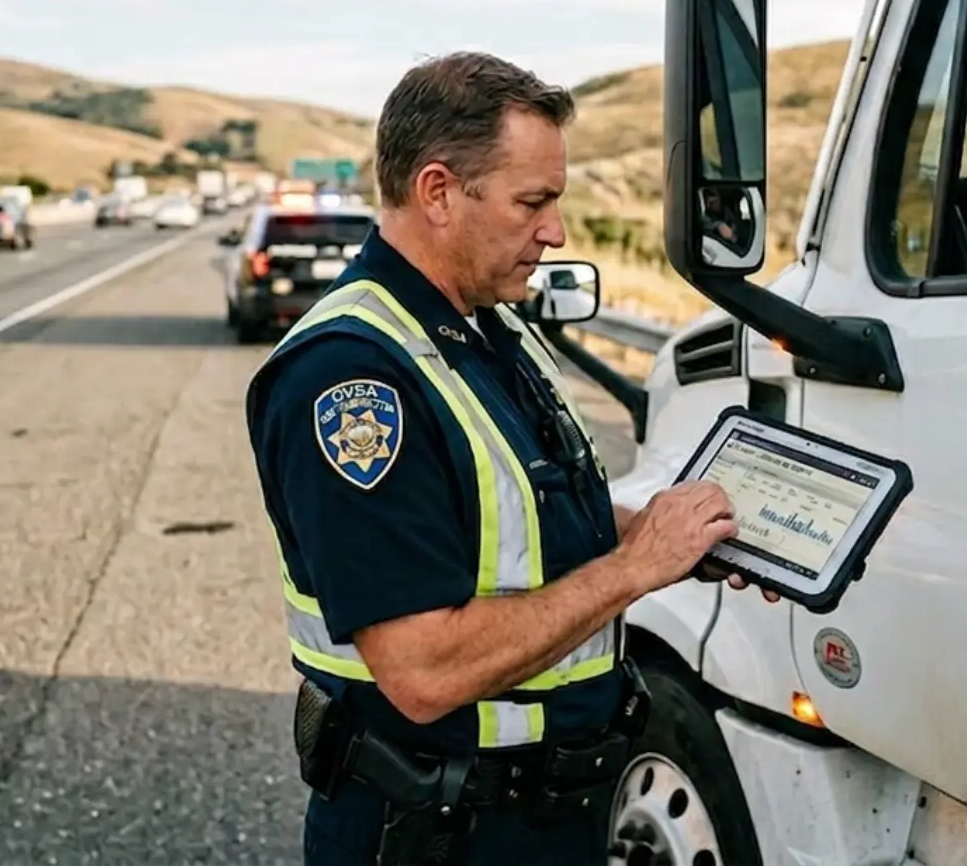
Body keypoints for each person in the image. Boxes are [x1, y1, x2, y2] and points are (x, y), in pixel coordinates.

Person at [244, 51, 772, 866]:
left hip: (543, 815)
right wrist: (635, 568)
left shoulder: (489, 325)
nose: (555, 231)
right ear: (439, 193)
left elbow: (527, 529)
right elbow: (423, 668)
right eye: (534, 202)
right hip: (440, 832)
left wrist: (671, 539)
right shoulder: (352, 377)